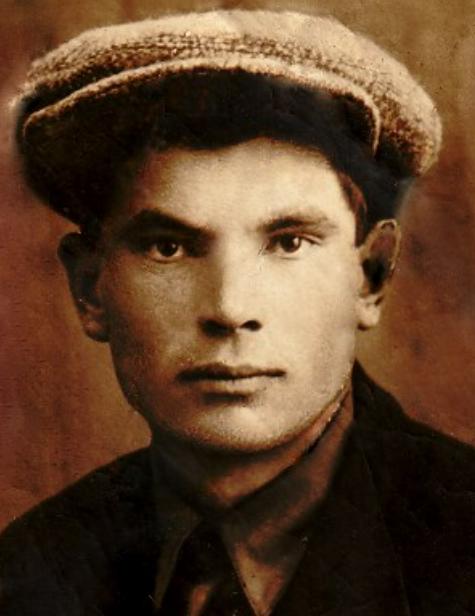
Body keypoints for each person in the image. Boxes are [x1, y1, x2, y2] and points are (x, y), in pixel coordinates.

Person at [1, 9, 473, 616]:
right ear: (91, 290)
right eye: (168, 248)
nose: (230, 308)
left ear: (371, 277)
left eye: (288, 243)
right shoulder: (28, 569)